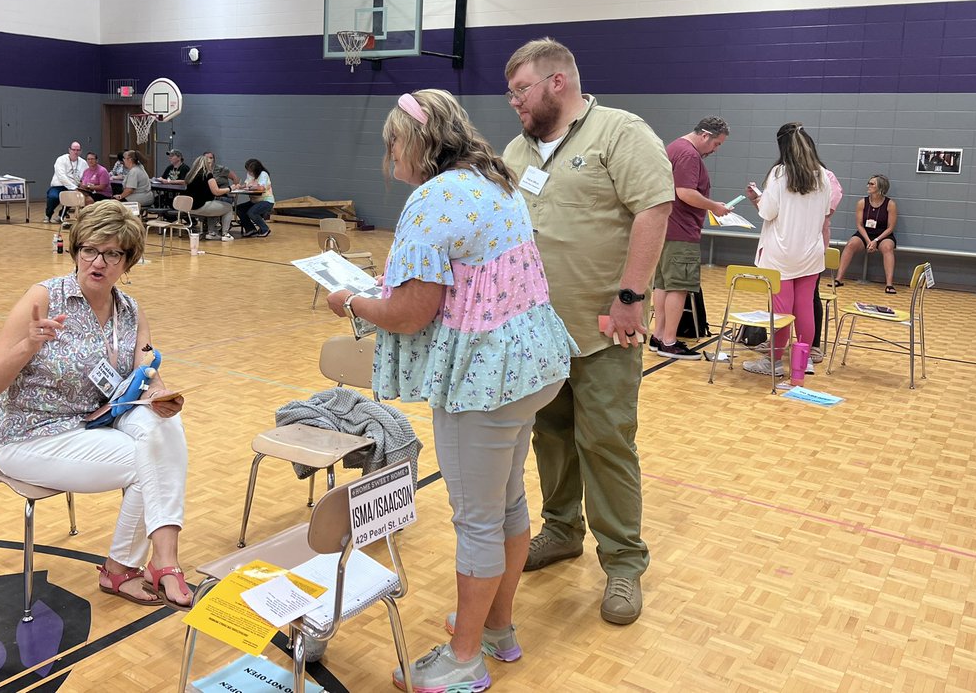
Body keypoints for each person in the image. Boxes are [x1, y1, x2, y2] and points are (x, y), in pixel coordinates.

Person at [327, 89, 573, 693]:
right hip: (532, 367)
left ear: (416, 142)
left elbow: (412, 313)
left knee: (478, 522)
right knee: (508, 505)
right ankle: (497, 627)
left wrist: (353, 302)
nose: (390, 158)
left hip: (484, 383)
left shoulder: (432, 198)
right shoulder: (495, 179)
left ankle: (465, 659)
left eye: (392, 144)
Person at [501, 38, 673, 626]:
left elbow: (655, 208)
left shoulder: (619, 133)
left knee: (605, 442)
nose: (513, 101)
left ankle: (623, 563)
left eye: (521, 89)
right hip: (538, 335)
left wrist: (631, 296)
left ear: (557, 82)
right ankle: (561, 529)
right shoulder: (516, 152)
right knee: (551, 437)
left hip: (604, 332)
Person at [0, 201, 192, 609]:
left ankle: (161, 560)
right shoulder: (44, 297)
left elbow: (146, 363)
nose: (98, 262)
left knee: (164, 431)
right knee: (152, 461)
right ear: (74, 249)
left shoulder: (130, 310)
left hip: (96, 424)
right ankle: (128, 567)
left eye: (113, 254)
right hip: (30, 435)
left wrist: (158, 390)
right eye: (89, 249)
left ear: (128, 260)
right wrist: (29, 344)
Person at [742, 122, 833, 377]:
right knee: (804, 306)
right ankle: (804, 361)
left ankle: (773, 362)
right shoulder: (823, 175)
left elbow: (768, 212)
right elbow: (825, 212)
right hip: (811, 252)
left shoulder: (780, 173)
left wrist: (758, 199)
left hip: (781, 252)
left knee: (781, 310)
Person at [650, 117, 731, 360]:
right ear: (705, 135)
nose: (715, 150)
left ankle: (659, 336)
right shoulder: (689, 154)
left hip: (666, 227)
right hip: (681, 230)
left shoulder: (674, 147)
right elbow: (684, 192)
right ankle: (669, 341)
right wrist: (713, 206)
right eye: (716, 144)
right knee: (680, 286)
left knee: (663, 284)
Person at [833, 174, 898, 294]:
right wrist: (868, 241)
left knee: (888, 247)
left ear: (880, 187)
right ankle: (838, 279)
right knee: (851, 244)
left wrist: (876, 241)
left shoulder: (890, 204)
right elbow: (859, 225)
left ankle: (889, 284)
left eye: (872, 184)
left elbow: (890, 227)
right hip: (865, 234)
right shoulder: (862, 202)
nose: (868, 185)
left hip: (883, 235)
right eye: (868, 183)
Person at [184, 153, 235, 241]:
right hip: (201, 206)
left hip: (189, 207)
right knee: (229, 207)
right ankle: (225, 234)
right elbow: (216, 191)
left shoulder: (190, 175)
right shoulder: (208, 175)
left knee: (214, 206)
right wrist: (230, 188)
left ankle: (212, 233)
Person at [45, 142, 84, 223]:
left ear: (80, 151)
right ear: (69, 150)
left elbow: (85, 176)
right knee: (53, 197)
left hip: (74, 187)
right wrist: (73, 188)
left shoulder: (83, 163)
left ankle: (61, 216)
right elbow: (61, 176)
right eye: (73, 150)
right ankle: (48, 215)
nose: (75, 152)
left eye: (78, 150)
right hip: (58, 186)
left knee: (72, 197)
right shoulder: (61, 159)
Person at [235, 158, 275, 238]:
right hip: (255, 201)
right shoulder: (250, 174)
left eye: (251, 171)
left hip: (266, 201)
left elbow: (261, 188)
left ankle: (265, 229)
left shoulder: (263, 174)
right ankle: (250, 229)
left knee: (252, 212)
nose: (249, 173)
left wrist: (250, 187)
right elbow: (246, 184)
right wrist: (239, 186)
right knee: (239, 209)